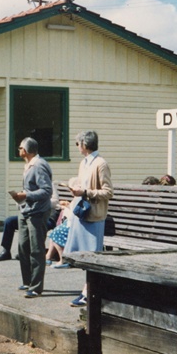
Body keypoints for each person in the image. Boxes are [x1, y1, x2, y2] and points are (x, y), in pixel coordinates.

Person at [64, 130, 113, 307]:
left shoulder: (101, 164)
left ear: (84, 145)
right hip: (82, 214)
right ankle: (88, 291)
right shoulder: (84, 163)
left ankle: (89, 292)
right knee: (84, 256)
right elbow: (82, 182)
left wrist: (85, 192)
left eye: (77, 144)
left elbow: (108, 192)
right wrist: (73, 184)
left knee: (93, 255)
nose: (77, 147)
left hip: (94, 216)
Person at [9, 137, 53, 298]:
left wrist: (26, 195)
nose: (18, 150)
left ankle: (36, 286)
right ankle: (27, 281)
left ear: (26, 150)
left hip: (37, 212)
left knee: (36, 248)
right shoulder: (28, 164)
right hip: (25, 210)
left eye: (20, 147)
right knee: (23, 246)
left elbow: (47, 191)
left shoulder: (39, 165)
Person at [0, 192, 60, 262]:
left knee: (35, 223)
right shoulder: (27, 186)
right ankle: (6, 250)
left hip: (46, 217)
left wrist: (36, 201)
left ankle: (27, 252)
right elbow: (19, 205)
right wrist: (19, 201)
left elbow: (55, 202)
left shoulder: (48, 185)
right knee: (9, 221)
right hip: (29, 215)